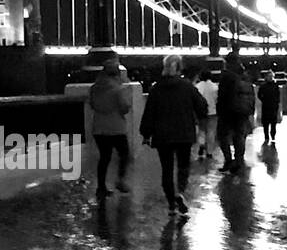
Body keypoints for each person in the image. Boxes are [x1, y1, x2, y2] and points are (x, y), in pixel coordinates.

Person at [140, 54, 206, 215]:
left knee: (166, 170)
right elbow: (202, 106)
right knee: (183, 166)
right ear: (179, 68)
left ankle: (171, 205)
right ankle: (180, 193)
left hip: (163, 136)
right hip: (184, 133)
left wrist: (146, 133)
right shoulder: (187, 86)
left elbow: (149, 113)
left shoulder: (156, 88)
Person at [89, 52, 132, 199]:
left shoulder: (95, 88)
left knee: (104, 157)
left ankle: (101, 187)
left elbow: (93, 105)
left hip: (99, 128)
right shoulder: (118, 89)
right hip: (116, 128)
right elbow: (125, 107)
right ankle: (120, 180)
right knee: (124, 154)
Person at [216, 52, 255, 174]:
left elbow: (222, 95)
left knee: (222, 136)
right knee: (239, 136)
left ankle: (228, 160)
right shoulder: (245, 75)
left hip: (227, 110)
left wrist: (219, 109)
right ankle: (238, 161)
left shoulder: (227, 76)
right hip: (242, 111)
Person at [196, 68, 219, 162]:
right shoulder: (215, 87)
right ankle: (209, 152)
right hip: (213, 112)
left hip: (200, 113)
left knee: (201, 130)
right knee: (211, 132)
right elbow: (217, 100)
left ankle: (201, 144)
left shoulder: (197, 87)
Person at [257, 68, 281, 144]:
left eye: (271, 76)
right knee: (266, 123)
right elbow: (259, 95)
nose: (270, 77)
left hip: (274, 106)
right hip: (266, 106)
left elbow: (278, 95)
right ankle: (266, 136)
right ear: (266, 77)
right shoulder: (263, 86)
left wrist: (277, 103)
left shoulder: (275, 85)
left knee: (273, 123)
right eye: (269, 76)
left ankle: (273, 135)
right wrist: (263, 100)